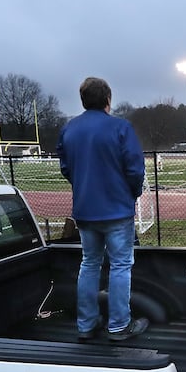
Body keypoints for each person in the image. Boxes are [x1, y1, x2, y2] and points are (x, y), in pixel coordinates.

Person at [56, 76, 148, 341]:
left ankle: (86, 324)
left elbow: (66, 168)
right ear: (108, 99)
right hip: (117, 210)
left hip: (85, 210)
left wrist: (84, 188)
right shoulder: (121, 127)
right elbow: (134, 169)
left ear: (83, 100)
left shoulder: (70, 129)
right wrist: (132, 193)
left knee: (89, 264)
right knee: (120, 266)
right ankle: (118, 325)